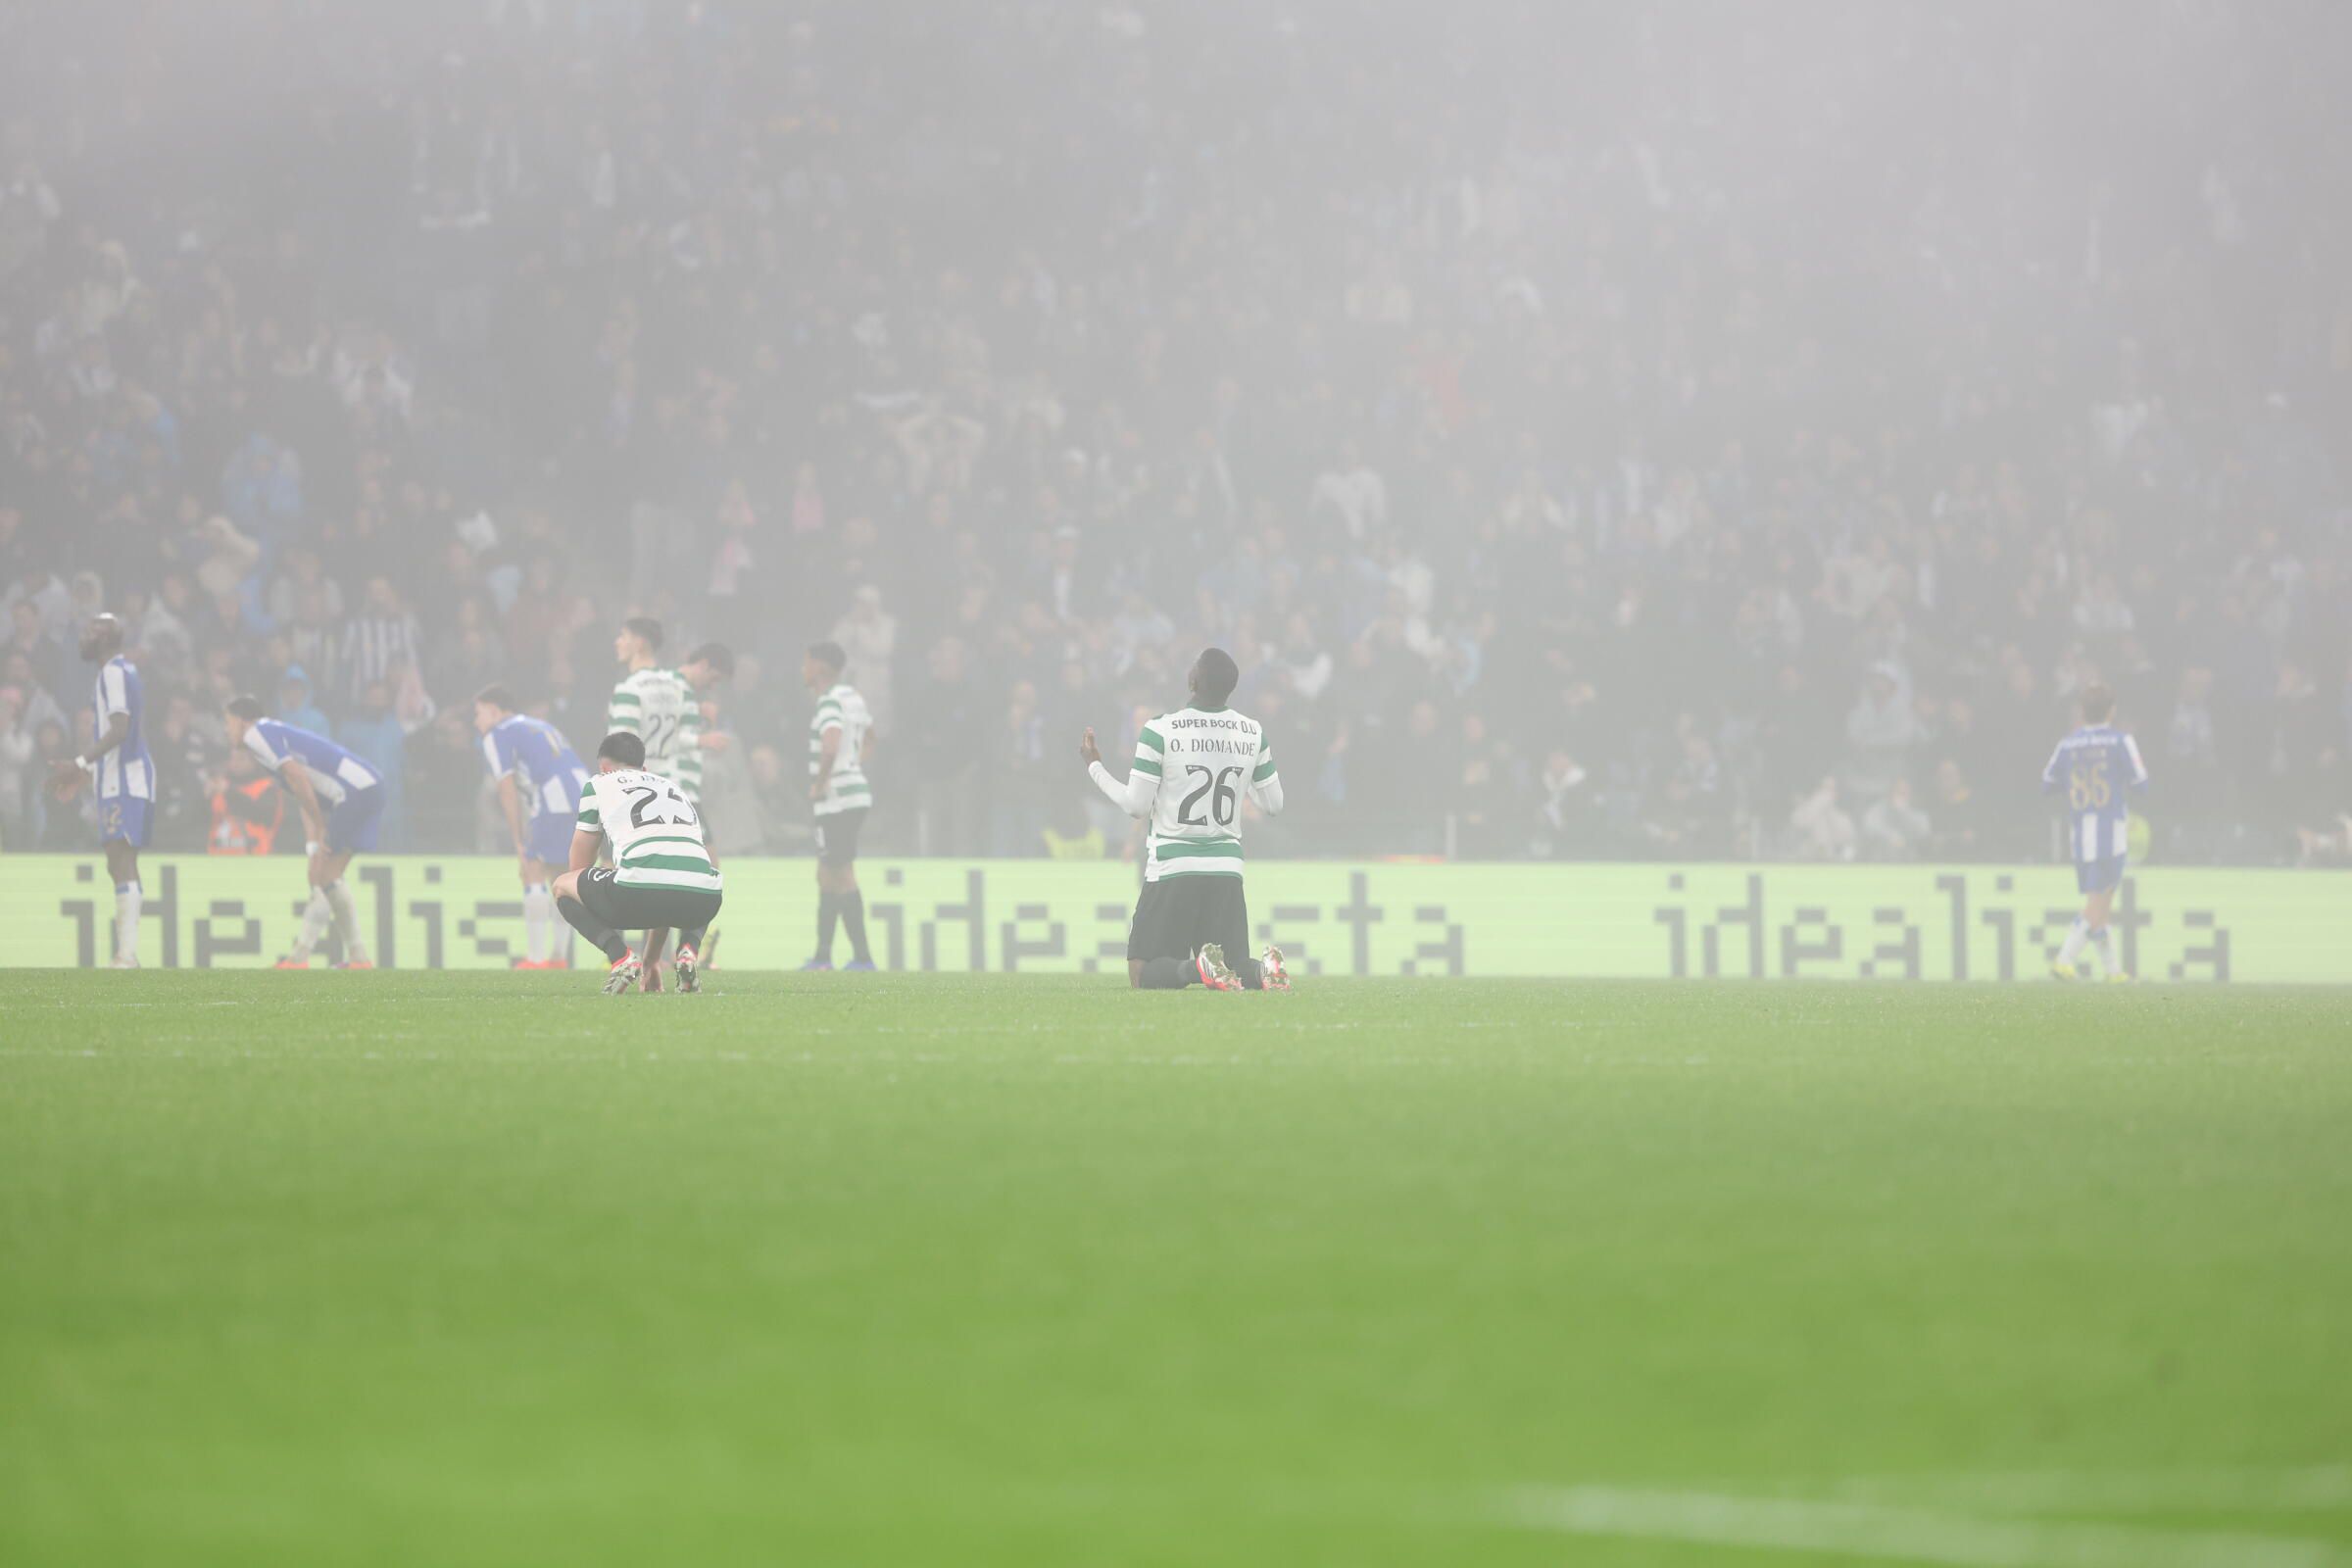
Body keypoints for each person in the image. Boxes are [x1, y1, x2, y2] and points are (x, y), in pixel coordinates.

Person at [1079, 646, 1291, 991]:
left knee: (1141, 972)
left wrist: (1094, 767)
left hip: (1173, 867)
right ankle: (1266, 971)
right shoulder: (1252, 732)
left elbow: (1136, 805)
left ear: (1193, 680)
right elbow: (1274, 804)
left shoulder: (1160, 730)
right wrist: (1239, 773)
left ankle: (1199, 970)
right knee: (1236, 966)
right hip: (1226, 868)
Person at [554, 731, 723, 997]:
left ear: (604, 768)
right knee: (685, 876)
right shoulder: (674, 787)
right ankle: (688, 950)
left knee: (562, 886)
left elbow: (579, 868)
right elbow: (667, 879)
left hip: (636, 894)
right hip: (706, 900)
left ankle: (620, 957)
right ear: (644, 769)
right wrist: (652, 960)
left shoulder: (599, 784)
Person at [223, 695, 383, 969]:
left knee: (325, 877)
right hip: (366, 787)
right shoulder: (271, 735)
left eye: (227, 723)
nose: (227, 730)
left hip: (353, 792)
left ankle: (303, 958)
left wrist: (321, 828)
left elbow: (298, 778)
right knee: (326, 876)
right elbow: (302, 790)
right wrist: (313, 847)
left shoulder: (256, 733)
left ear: (241, 721)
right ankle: (355, 959)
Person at [46, 613, 152, 966]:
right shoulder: (118, 671)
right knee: (115, 860)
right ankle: (126, 952)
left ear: (107, 638)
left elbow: (121, 729)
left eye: (92, 630)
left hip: (125, 778)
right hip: (113, 776)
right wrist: (87, 771)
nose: (84, 636)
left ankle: (127, 954)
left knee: (122, 858)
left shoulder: (113, 672)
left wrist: (77, 763)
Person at [606, 616, 703, 989]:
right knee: (667, 876)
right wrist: (688, 793)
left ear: (641, 643)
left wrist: (614, 797)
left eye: (623, 635)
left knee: (620, 871)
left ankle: (625, 959)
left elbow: (620, 749)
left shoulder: (629, 688)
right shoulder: (680, 685)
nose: (618, 642)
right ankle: (653, 962)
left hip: (638, 796)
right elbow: (691, 741)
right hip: (677, 794)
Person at [473, 685, 590, 970]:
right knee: (563, 878)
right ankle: (558, 957)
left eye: (478, 714)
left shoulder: (497, 734)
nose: (476, 722)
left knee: (532, 870)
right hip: (587, 797)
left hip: (553, 800)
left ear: (493, 711)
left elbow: (506, 788)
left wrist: (518, 840)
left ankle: (536, 959)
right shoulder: (540, 725)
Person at [2040, 682, 2150, 982]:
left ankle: (2113, 971)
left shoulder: (2067, 744)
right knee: (2099, 904)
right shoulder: (2120, 741)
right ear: (2111, 711)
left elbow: (2047, 783)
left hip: (2080, 835)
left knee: (2101, 905)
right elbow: (2142, 783)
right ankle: (2063, 960)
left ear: (2082, 712)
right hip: (2110, 833)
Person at [802, 640, 876, 969]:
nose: (802, 669)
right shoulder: (853, 698)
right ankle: (823, 956)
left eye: (805, 662)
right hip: (854, 793)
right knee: (827, 873)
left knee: (841, 874)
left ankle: (861, 958)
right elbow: (871, 738)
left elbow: (830, 746)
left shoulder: (829, 701)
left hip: (836, 800)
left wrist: (821, 783)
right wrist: (854, 766)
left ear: (818, 667)